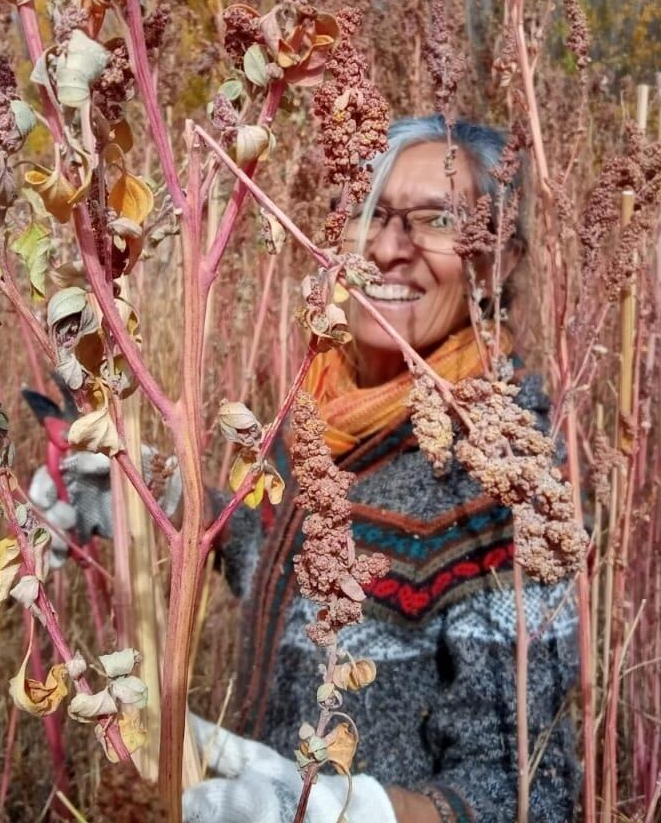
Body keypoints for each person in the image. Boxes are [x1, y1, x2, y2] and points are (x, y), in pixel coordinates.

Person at [182, 116, 581, 823]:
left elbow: (528, 790)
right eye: (370, 213)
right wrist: (172, 501)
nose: (390, 248)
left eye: (436, 219)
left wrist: (353, 811)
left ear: (499, 260)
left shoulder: (499, 474)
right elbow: (284, 564)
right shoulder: (321, 405)